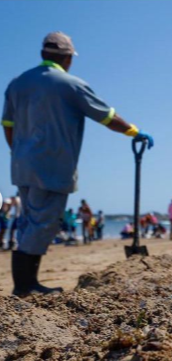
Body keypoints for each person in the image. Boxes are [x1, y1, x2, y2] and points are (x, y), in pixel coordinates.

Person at [2, 32, 155, 296]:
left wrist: (18, 152)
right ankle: (25, 286)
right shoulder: (69, 84)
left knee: (29, 221)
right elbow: (106, 116)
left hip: (22, 165)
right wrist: (133, 131)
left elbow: (7, 124)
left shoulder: (18, 84)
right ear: (67, 57)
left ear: (43, 54)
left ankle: (26, 283)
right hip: (52, 165)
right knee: (43, 223)